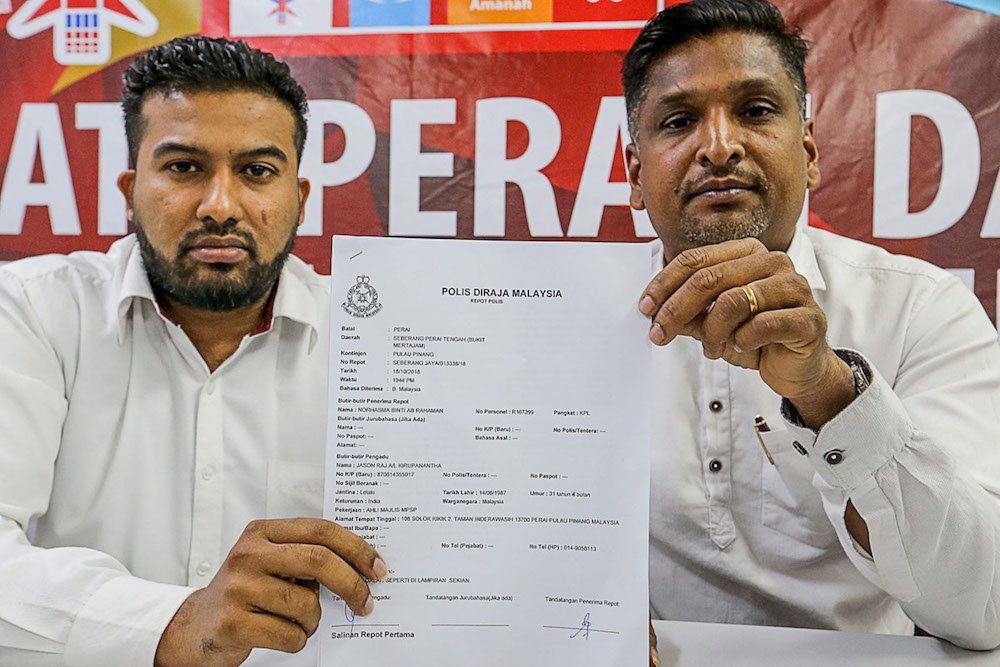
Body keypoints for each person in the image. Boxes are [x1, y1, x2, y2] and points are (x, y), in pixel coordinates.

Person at [624, 0, 1000, 658]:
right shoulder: (565, 323)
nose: (719, 145)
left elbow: (983, 606)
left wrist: (830, 391)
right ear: (634, 173)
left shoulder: (919, 308)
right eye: (679, 121)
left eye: (755, 110)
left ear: (809, 152)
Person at [0, 36, 384, 666]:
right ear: (130, 189)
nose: (220, 207)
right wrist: (171, 625)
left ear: (300, 198)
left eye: (257, 171)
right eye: (184, 167)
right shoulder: (31, 311)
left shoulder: (379, 342)